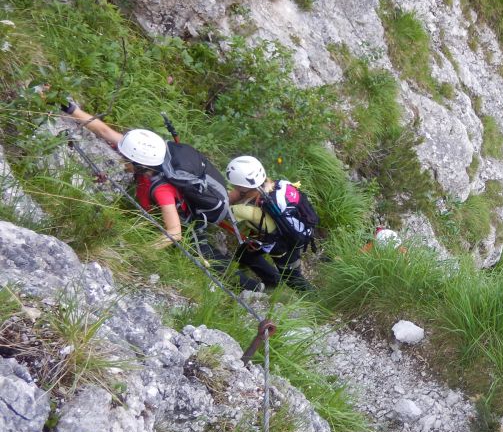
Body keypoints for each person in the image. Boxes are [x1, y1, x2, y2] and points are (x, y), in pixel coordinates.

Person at [63, 101, 263, 291]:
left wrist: (140, 251)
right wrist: (71, 109)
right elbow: (105, 132)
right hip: (171, 207)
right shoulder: (149, 157)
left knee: (206, 255)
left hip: (186, 221)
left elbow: (174, 233)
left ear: (140, 164)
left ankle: (253, 286)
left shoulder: (161, 189)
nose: (121, 158)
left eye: (125, 158)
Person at [224, 155, 316, 292]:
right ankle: (271, 282)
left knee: (293, 279)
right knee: (245, 254)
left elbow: (218, 209)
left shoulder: (245, 211)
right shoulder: (272, 185)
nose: (234, 187)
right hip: (282, 235)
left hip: (284, 246)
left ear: (243, 187)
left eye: (236, 186)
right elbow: (236, 195)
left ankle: (316, 301)